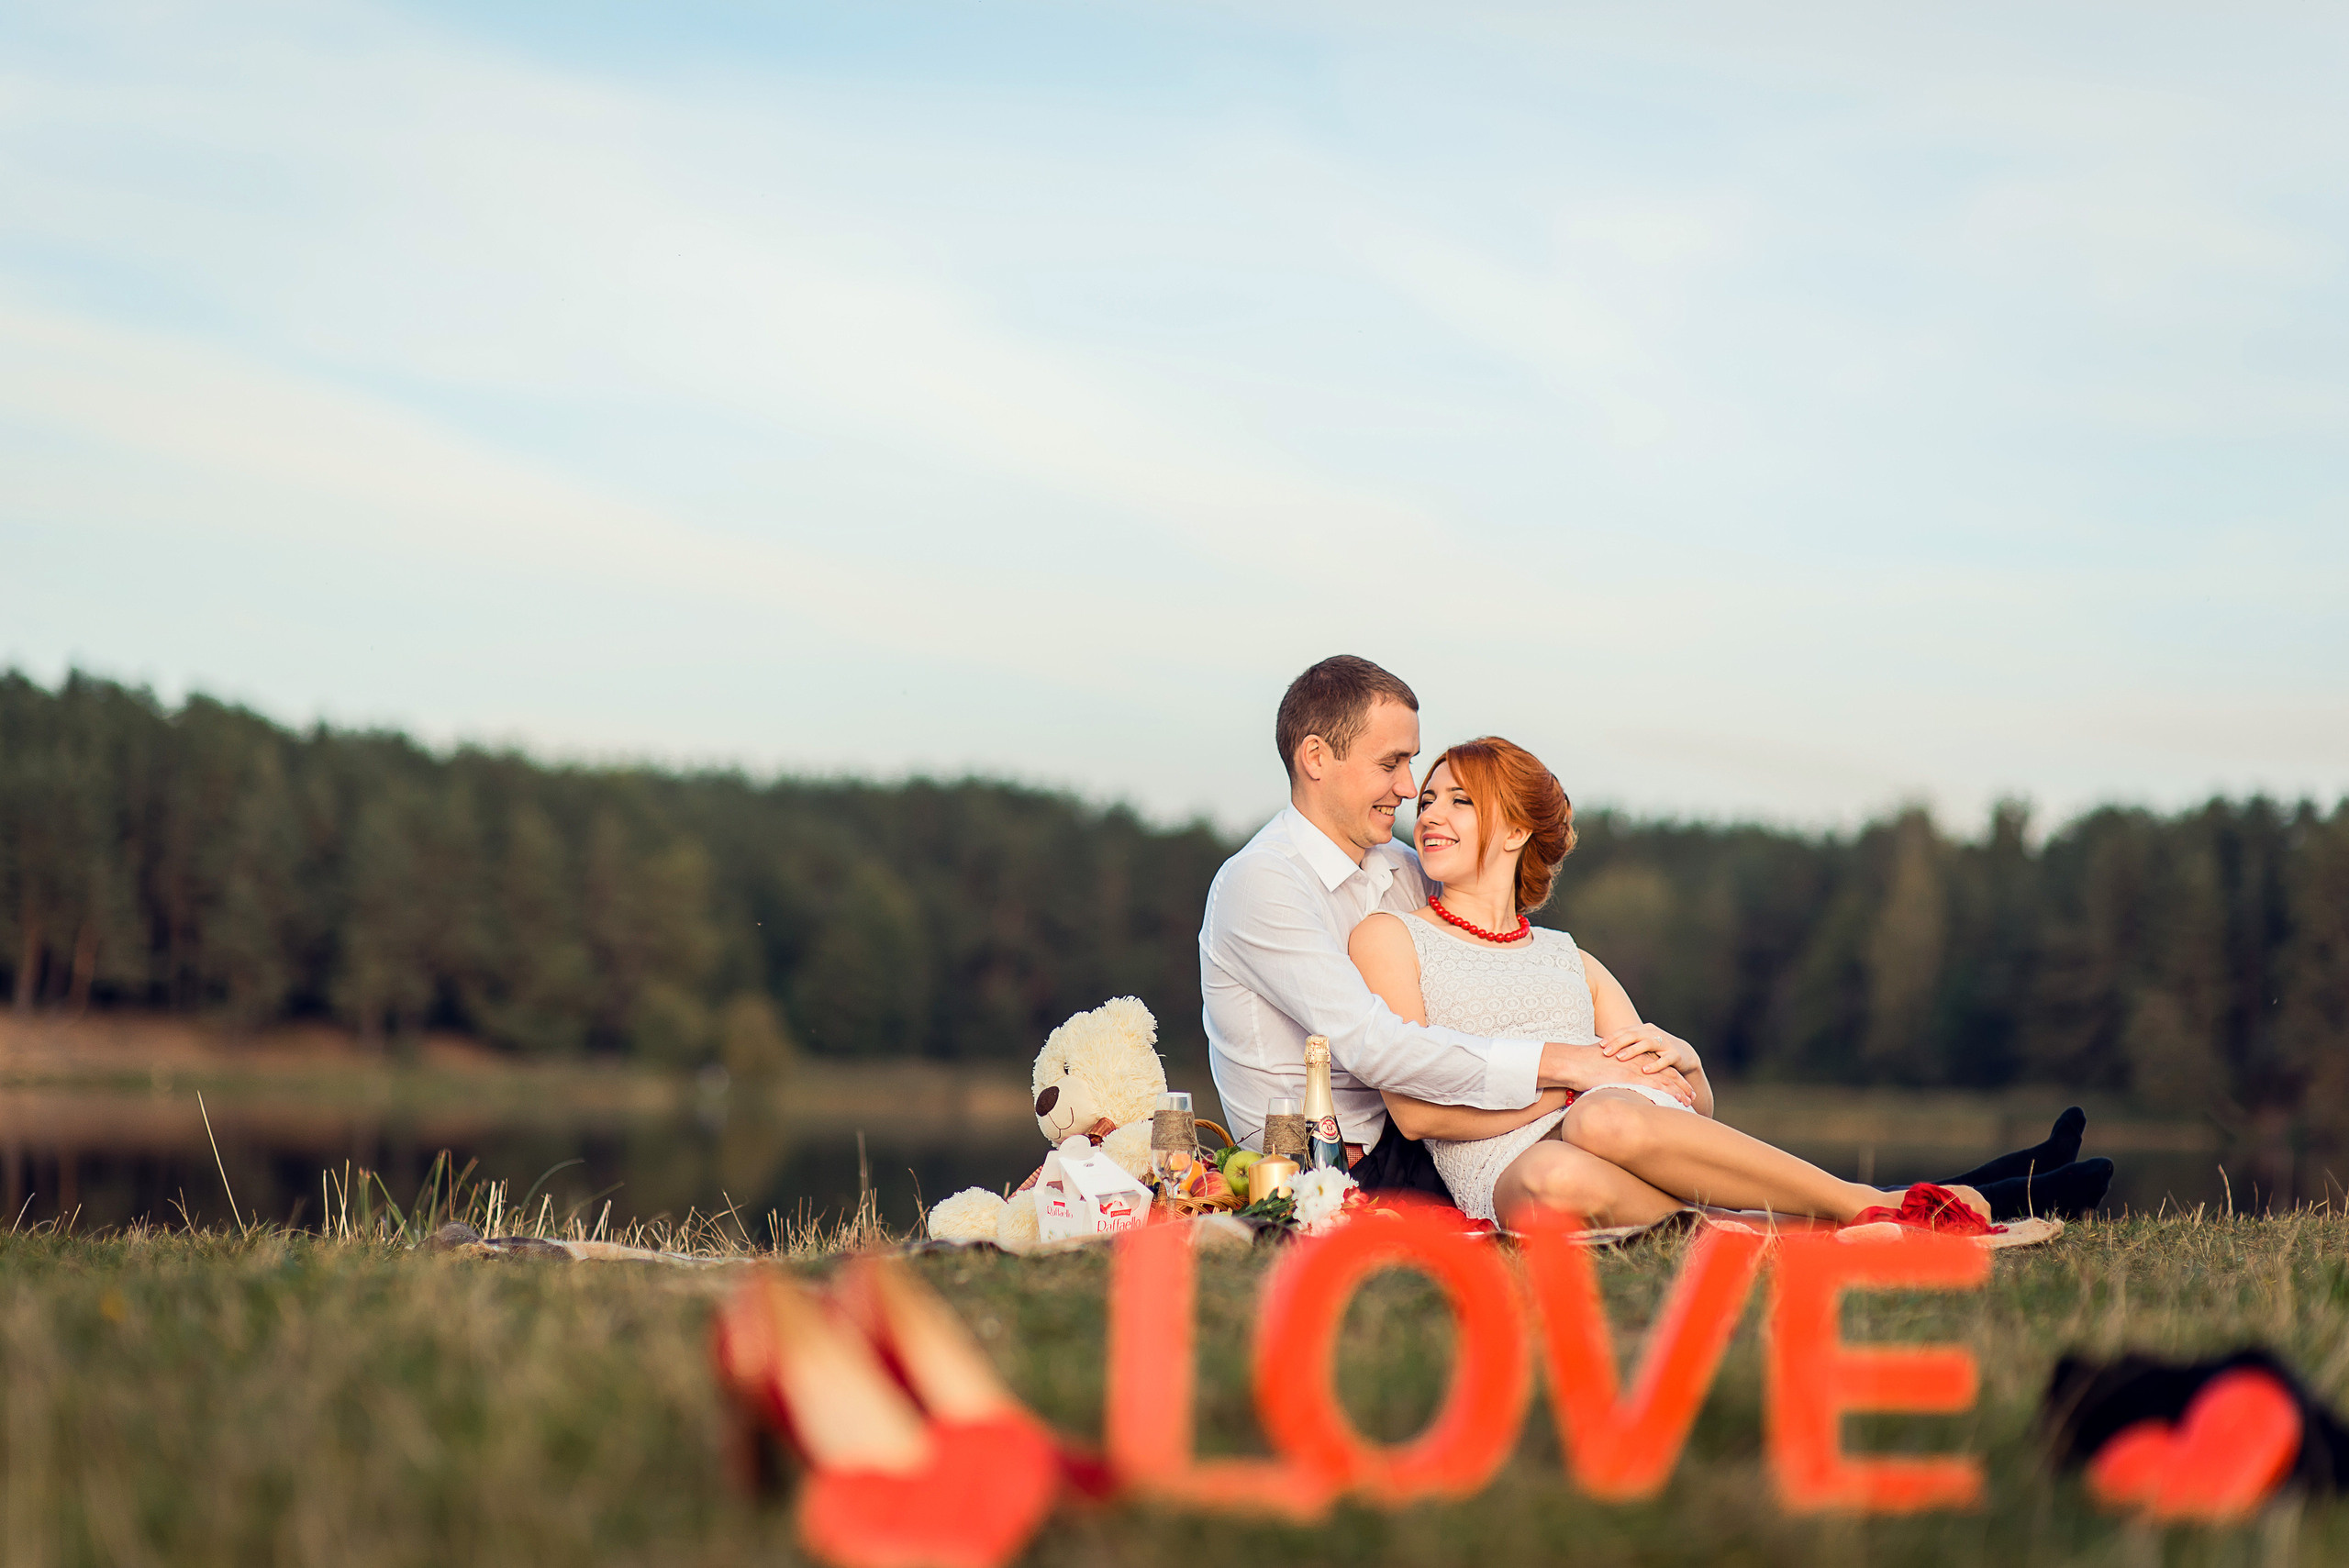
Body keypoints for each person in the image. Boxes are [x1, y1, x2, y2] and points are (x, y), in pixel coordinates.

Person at [1201, 654, 2090, 1218]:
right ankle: (1908, 1203)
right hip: (1340, 1164)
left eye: (1427, 779)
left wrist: (1655, 1062)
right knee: (1596, 1139)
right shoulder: (1263, 884)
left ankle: (1939, 1195)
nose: (1410, 794)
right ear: (1316, 758)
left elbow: (1513, 962)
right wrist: (1570, 1066)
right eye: (1396, 767)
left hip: (1456, 1142)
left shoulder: (1400, 871)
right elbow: (1377, 1048)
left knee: (1619, 1126)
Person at [1351, 734, 2114, 1228]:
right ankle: (1892, 1204)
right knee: (1557, 1160)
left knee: (1605, 1119)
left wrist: (1688, 1060)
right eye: (1428, 800)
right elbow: (1417, 1114)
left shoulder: (1569, 959)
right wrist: (1566, 1085)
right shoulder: (1392, 938)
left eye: (1460, 800)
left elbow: (1688, 1109)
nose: (1432, 815)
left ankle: (1886, 1205)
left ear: (1516, 830)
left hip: (1615, 1140)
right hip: (1510, 1171)